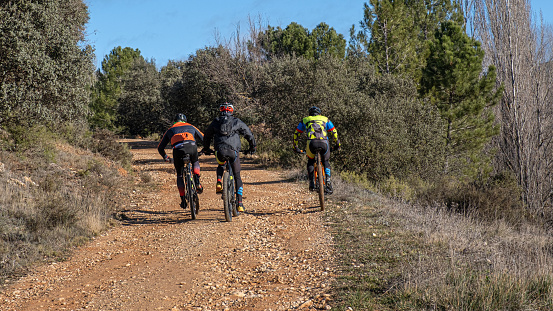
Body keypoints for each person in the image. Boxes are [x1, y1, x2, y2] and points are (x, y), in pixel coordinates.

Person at [201, 103, 256, 212]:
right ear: (232, 111)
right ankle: (239, 203)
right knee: (237, 176)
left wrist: (206, 148)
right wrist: (252, 147)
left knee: (221, 164)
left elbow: (207, 135)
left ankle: (219, 181)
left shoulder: (216, 121)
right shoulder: (236, 121)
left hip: (220, 151)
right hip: (233, 151)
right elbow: (248, 134)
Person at [158, 113, 204, 209]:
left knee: (179, 174)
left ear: (175, 121)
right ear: (185, 121)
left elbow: (160, 147)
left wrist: (165, 157)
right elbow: (204, 138)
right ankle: (197, 182)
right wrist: (205, 150)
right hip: (191, 147)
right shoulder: (191, 126)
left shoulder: (170, 130)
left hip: (178, 151)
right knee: (195, 161)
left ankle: (183, 200)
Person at [293, 106, 341, 194]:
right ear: (320, 114)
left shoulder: (305, 120)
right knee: (325, 161)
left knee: (311, 161)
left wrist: (295, 146)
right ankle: (328, 182)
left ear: (309, 114)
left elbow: (296, 134)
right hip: (324, 143)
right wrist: (338, 144)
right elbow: (334, 132)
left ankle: (311, 183)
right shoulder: (325, 119)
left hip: (311, 143)